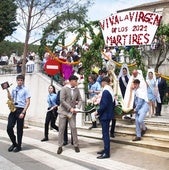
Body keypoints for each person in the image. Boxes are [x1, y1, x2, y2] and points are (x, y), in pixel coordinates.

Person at [57, 75, 82, 154]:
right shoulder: (64, 89)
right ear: (71, 81)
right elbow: (62, 100)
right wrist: (70, 108)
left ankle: (76, 145)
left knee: (73, 127)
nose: (77, 83)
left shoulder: (76, 89)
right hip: (63, 111)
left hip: (72, 112)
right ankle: (60, 146)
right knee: (61, 129)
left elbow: (80, 99)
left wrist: (77, 107)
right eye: (76, 81)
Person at [7, 75, 31, 152]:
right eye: (18, 80)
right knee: (9, 128)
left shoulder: (25, 90)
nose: (20, 81)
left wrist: (23, 112)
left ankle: (19, 146)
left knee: (19, 129)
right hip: (14, 109)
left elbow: (28, 102)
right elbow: (11, 98)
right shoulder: (14, 89)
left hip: (21, 110)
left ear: (23, 81)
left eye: (21, 80)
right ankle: (14, 143)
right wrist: (8, 92)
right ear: (16, 81)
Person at [95, 77, 115, 159]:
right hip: (108, 114)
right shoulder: (110, 90)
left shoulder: (106, 91)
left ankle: (107, 153)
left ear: (104, 82)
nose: (101, 84)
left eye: (101, 82)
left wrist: (98, 112)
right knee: (105, 134)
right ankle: (105, 149)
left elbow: (104, 105)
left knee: (105, 134)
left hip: (105, 115)